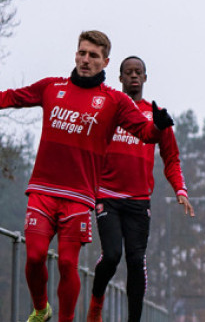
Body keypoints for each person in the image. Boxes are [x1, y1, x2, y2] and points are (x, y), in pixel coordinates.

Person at [0, 30, 172, 322]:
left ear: (105, 62)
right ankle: (41, 309)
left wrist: (158, 127)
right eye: (82, 53)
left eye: (93, 55)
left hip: (79, 196)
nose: (85, 59)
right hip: (42, 189)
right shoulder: (52, 87)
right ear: (75, 54)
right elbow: (12, 98)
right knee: (34, 255)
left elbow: (144, 133)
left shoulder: (115, 101)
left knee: (68, 263)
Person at [86, 56, 194, 322]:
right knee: (112, 255)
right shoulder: (109, 109)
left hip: (138, 201)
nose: (134, 76)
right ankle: (96, 303)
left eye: (139, 72)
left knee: (136, 262)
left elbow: (171, 159)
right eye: (128, 72)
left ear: (145, 77)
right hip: (107, 197)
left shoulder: (155, 117)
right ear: (120, 78)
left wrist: (180, 189)